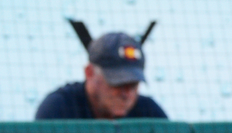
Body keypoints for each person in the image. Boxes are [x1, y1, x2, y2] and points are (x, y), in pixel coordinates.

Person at [35, 32, 167, 119]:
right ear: (89, 72)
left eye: (133, 85)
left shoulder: (149, 113)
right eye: (118, 83)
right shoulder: (60, 109)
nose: (126, 94)